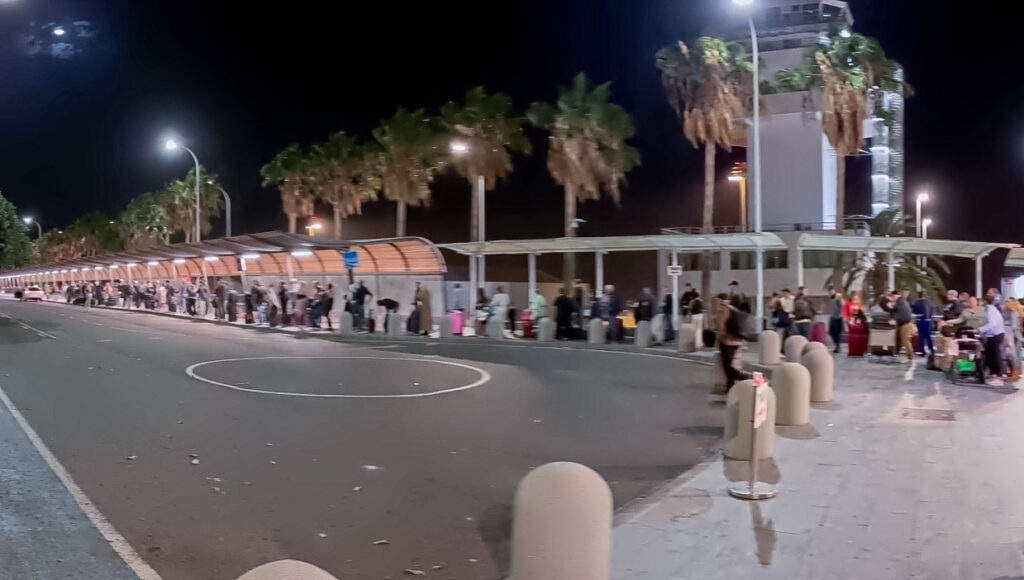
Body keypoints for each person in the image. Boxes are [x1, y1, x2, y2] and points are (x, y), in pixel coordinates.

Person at [715, 294, 751, 394]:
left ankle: (742, 377)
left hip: (727, 340)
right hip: (737, 340)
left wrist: (720, 336)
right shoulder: (734, 309)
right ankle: (730, 386)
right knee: (729, 364)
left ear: (721, 300)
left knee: (727, 365)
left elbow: (722, 324)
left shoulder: (724, 309)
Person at [979, 293, 1007, 385]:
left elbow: (992, 324)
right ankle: (993, 374)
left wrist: (980, 329)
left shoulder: (991, 310)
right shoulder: (990, 309)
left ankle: (998, 375)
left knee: (995, 355)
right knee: (990, 355)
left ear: (984, 301)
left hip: (996, 334)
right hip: (993, 335)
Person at [1002, 298, 1023, 382]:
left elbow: (1014, 327)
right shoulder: (1009, 313)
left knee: (1014, 356)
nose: (1004, 304)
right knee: (1012, 355)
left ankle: (1015, 374)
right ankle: (1014, 373)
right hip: (1011, 336)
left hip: (1013, 337)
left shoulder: (1013, 314)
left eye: (1006, 303)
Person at [892, 289, 915, 362]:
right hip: (907, 324)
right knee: (904, 341)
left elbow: (898, 312)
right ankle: (901, 354)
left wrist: (894, 318)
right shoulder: (905, 302)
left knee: (906, 341)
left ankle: (910, 356)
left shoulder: (900, 302)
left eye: (906, 293)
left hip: (905, 325)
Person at [912, 291, 935, 355]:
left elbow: (914, 311)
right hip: (928, 321)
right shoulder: (929, 303)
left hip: (920, 320)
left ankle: (922, 351)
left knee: (921, 336)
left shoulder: (916, 303)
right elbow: (931, 312)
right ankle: (931, 349)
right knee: (928, 336)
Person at [827, 286, 844, 353]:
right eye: (829, 291)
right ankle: (837, 345)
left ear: (834, 290)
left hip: (838, 317)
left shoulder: (838, 296)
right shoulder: (830, 298)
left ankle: (838, 346)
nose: (830, 292)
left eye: (831, 291)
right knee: (831, 332)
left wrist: (841, 314)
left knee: (837, 333)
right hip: (832, 317)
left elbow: (842, 305)